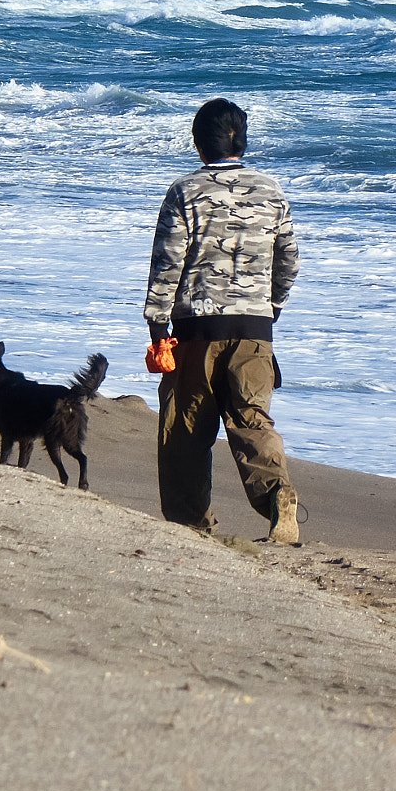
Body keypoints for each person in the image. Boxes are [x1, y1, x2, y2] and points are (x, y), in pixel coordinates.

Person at [143, 97, 301, 544]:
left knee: (185, 434)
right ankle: (278, 497)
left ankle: (191, 526)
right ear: (242, 142)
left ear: (197, 143)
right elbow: (289, 259)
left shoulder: (185, 192)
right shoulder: (271, 190)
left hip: (196, 332)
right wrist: (271, 308)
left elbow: (167, 264)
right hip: (254, 330)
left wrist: (158, 328)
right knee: (252, 422)